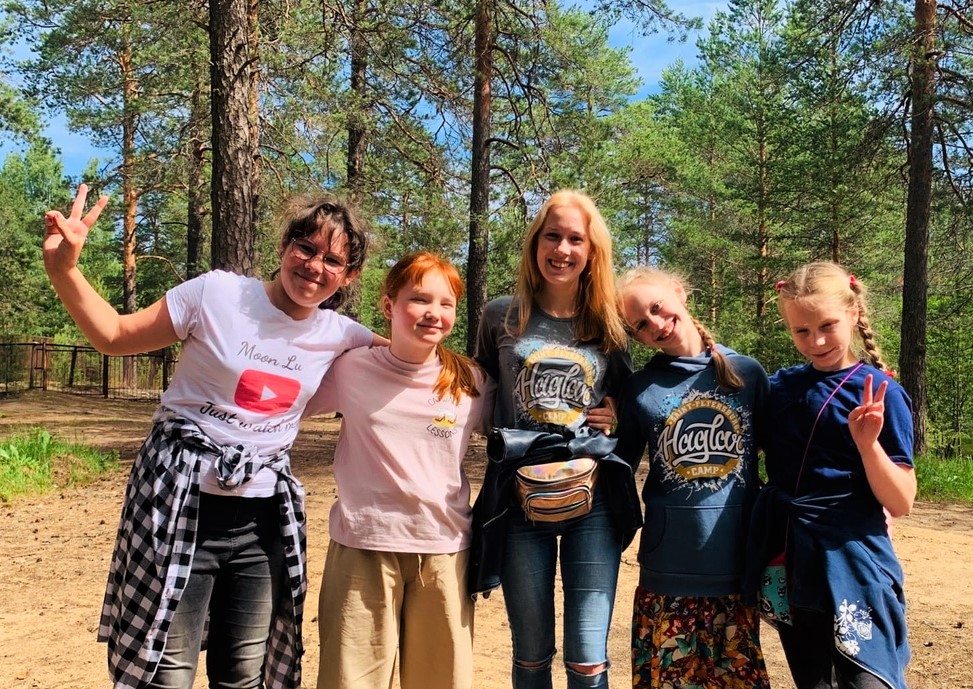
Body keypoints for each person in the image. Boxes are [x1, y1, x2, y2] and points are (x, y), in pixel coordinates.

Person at [43, 184, 384, 689]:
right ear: (283, 246)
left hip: (263, 521)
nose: (314, 266)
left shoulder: (341, 334)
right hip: (177, 503)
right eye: (305, 247)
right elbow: (114, 335)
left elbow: (410, 360)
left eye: (333, 260)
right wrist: (64, 271)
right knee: (167, 673)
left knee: (243, 674)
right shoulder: (217, 294)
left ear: (349, 275)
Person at [469, 189, 641, 689]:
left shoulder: (610, 323)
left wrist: (616, 412)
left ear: (592, 252)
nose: (562, 249)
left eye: (574, 239)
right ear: (535, 243)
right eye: (552, 236)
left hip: (593, 497)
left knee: (588, 659)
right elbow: (476, 387)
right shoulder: (500, 315)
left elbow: (633, 397)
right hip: (519, 495)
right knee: (530, 655)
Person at [302, 251, 495, 689]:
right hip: (362, 546)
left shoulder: (471, 382)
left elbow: (527, 423)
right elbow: (286, 401)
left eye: (446, 303)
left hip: (444, 551)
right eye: (419, 299)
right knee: (349, 682)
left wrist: (604, 409)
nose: (434, 313)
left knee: (441, 682)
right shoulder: (349, 368)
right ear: (389, 306)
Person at [751, 261, 916, 689]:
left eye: (827, 325)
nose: (816, 341)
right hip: (789, 558)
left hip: (855, 561)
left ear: (854, 313)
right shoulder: (779, 388)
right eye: (802, 331)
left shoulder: (880, 393)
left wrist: (868, 444)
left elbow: (901, 501)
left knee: (870, 679)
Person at [613, 266, 772, 689]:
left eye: (657, 307)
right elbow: (619, 470)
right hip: (668, 571)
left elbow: (782, 460)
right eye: (640, 325)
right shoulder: (641, 388)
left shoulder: (747, 374)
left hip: (735, 567)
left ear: (679, 292)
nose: (655, 324)